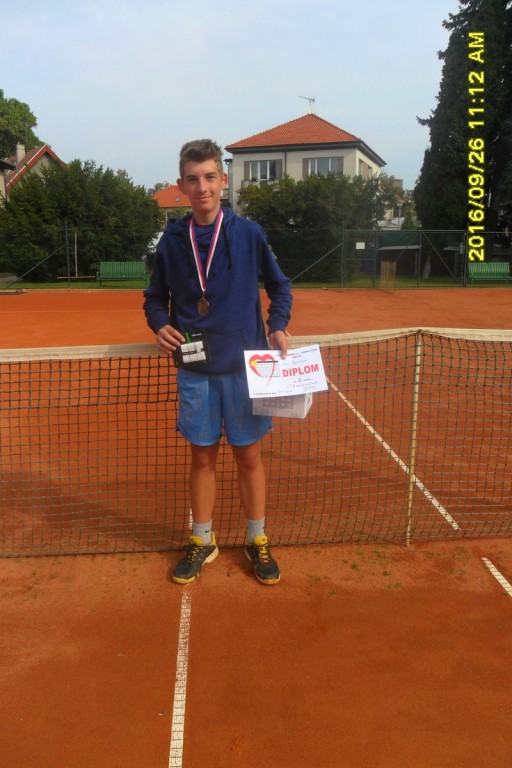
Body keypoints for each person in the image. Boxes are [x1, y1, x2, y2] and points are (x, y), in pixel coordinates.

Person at [143, 139, 292, 585]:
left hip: (247, 369)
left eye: (210, 177)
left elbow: (280, 287)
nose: (202, 187)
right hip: (195, 369)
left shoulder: (249, 234)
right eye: (193, 179)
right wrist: (159, 324)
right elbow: (154, 298)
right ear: (182, 185)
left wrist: (277, 326)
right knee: (202, 458)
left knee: (249, 457)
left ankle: (257, 538)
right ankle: (203, 539)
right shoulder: (173, 240)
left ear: (223, 181)